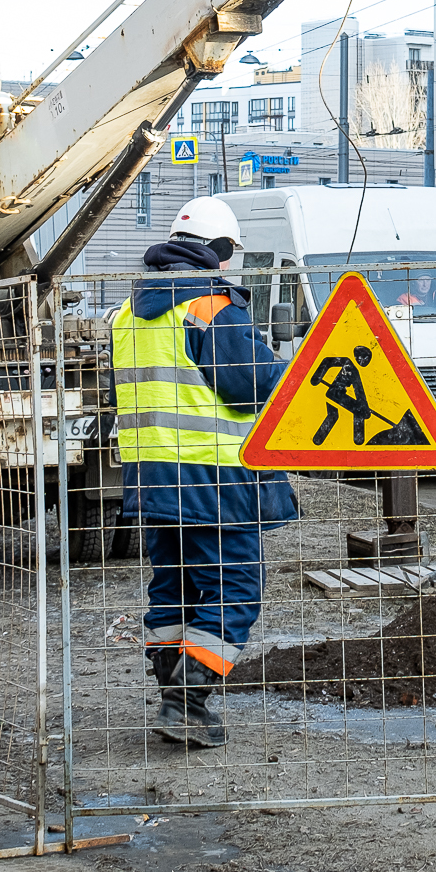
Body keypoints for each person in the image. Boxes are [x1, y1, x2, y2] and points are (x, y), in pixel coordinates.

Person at [112, 195, 292, 748]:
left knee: (174, 589)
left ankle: (173, 695)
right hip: (216, 481)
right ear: (217, 251)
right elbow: (246, 383)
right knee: (236, 587)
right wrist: (286, 368)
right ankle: (186, 703)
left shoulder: (130, 310)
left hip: (154, 480)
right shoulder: (209, 304)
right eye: (231, 254)